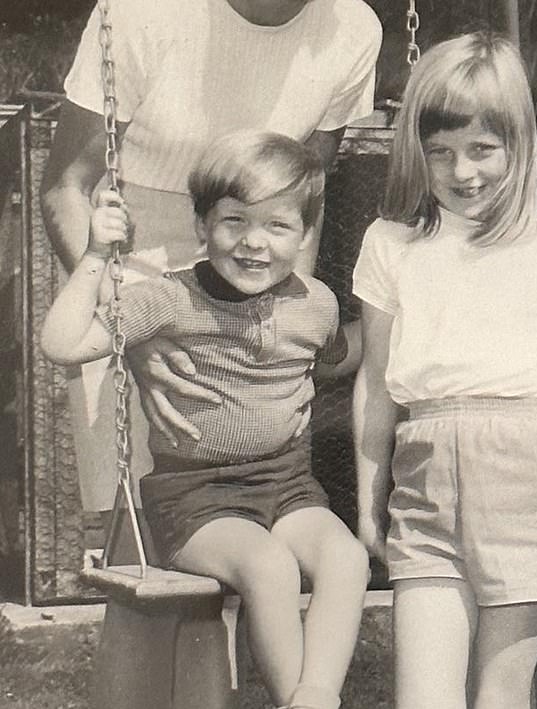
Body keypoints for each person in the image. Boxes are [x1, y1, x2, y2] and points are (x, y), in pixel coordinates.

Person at [41, 130, 370, 709]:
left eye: (277, 226)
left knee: (346, 557)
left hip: (288, 486)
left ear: (305, 234)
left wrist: (403, 311)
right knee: (268, 568)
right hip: (197, 501)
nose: (253, 243)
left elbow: (342, 356)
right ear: (201, 226)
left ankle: (315, 695)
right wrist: (95, 256)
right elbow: (63, 345)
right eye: (234, 221)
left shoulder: (315, 304)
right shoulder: (167, 301)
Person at [40, 0, 381, 514]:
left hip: (254, 263)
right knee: (138, 535)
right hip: (127, 261)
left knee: (254, 517)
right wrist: (131, 335)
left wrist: (286, 330)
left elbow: (304, 194)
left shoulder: (354, 28)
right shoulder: (139, 12)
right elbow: (65, 187)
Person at [352, 32, 537, 709]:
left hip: (527, 475)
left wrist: (518, 448)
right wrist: (367, 497)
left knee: (499, 695)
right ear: (418, 151)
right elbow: (376, 385)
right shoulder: (391, 245)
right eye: (441, 152)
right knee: (424, 698)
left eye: (482, 149)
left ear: (518, 145)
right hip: (424, 472)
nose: (462, 171)